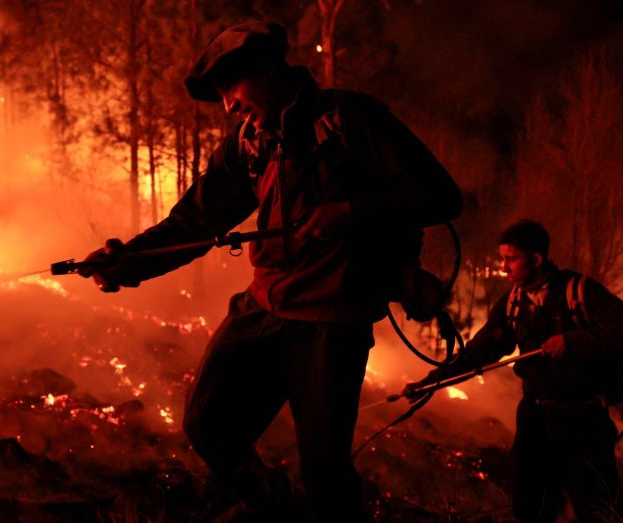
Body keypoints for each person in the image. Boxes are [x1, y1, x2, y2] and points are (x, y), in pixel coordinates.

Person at [80, 21, 462, 521]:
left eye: (231, 89)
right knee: (207, 423)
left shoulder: (350, 119)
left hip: (331, 323)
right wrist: (127, 261)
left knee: (325, 474)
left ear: (266, 69)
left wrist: (349, 212)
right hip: (262, 308)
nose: (229, 106)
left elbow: (440, 196)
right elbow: (196, 220)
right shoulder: (248, 145)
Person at [404, 219, 623, 522]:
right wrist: (429, 383)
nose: (504, 268)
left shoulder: (581, 292)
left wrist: (572, 342)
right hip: (534, 419)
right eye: (502, 259)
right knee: (530, 508)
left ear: (536, 259)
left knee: (595, 509)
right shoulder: (512, 302)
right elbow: (478, 353)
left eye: (511, 259)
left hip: (584, 423)